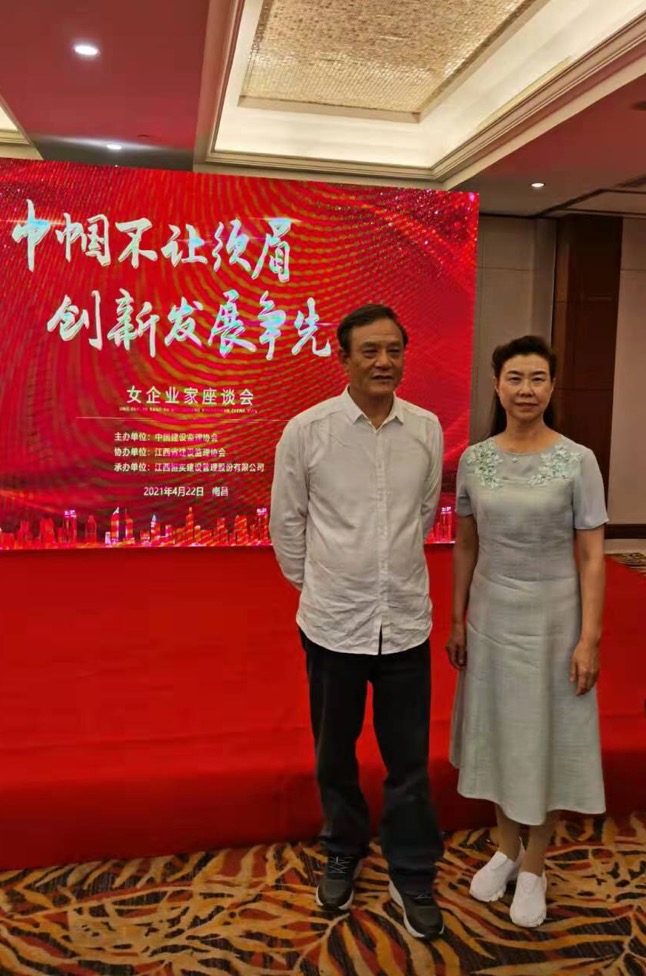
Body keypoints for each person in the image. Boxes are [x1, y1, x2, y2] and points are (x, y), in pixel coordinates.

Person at [269, 303, 445, 940]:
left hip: (404, 621)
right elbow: (286, 523)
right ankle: (343, 848)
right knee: (334, 751)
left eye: (394, 350)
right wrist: (326, 585)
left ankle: (411, 868)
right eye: (369, 350)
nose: (384, 362)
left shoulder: (425, 428)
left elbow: (424, 514)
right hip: (333, 623)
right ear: (342, 358)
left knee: (409, 758)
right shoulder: (308, 431)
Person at [446, 334, 606, 928]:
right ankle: (506, 848)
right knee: (499, 732)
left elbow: (592, 555)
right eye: (515, 378)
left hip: (554, 619)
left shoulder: (577, 459)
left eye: (537, 378)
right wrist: (458, 616)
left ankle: (535, 865)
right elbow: (466, 545)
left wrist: (589, 637)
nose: (526, 390)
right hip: (491, 616)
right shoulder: (475, 459)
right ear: (497, 385)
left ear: (552, 386)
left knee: (544, 735)